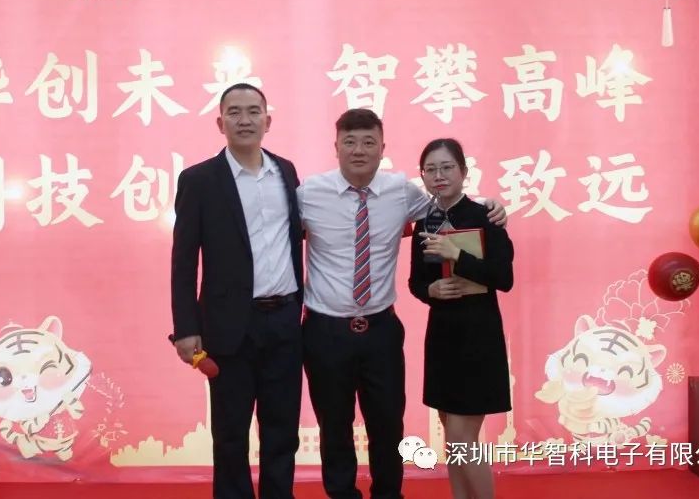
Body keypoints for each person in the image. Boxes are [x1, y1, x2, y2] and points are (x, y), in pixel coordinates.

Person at [296, 110, 506, 499]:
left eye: (369, 142)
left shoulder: (402, 192)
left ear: (382, 148)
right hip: (325, 331)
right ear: (336, 146)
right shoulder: (309, 193)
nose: (359, 150)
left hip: (381, 330)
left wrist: (491, 206)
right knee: (334, 426)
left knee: (388, 424)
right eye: (349, 142)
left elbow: (451, 206)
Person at [170, 83, 304, 499]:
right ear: (220, 123)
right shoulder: (199, 180)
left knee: (282, 431)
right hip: (229, 327)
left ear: (268, 120)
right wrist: (186, 328)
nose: (244, 120)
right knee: (230, 436)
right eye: (234, 112)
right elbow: (183, 260)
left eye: (253, 111)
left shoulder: (286, 172)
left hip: (285, 322)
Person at [408, 138, 514, 499]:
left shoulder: (486, 215)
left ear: (464, 172)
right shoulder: (425, 221)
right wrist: (431, 290)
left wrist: (457, 254)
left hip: (478, 337)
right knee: (451, 437)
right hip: (442, 338)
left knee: (461, 437)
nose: (438, 175)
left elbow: (504, 278)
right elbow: (415, 282)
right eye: (430, 169)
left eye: (446, 167)